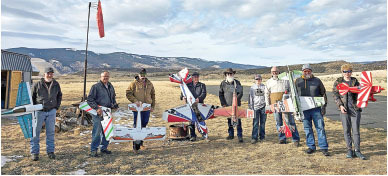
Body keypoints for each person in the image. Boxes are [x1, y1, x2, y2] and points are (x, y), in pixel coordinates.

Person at [333, 64, 366, 160]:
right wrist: (340, 105)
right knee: (346, 130)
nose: (347, 73)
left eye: (349, 71)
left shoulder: (355, 81)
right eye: (345, 71)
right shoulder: (338, 82)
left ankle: (357, 150)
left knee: (356, 131)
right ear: (342, 72)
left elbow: (362, 93)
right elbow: (335, 95)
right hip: (344, 109)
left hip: (355, 109)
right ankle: (349, 150)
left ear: (351, 72)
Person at [295, 64, 329, 156]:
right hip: (304, 110)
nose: (307, 72)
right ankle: (311, 146)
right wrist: (297, 110)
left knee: (320, 128)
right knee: (307, 128)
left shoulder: (317, 80)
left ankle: (323, 147)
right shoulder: (298, 81)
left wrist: (324, 107)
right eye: (305, 71)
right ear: (302, 71)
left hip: (316, 109)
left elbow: (323, 93)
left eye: (308, 71)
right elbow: (294, 96)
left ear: (311, 71)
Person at [30, 67, 62, 161]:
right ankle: (35, 152)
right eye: (48, 73)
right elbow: (32, 97)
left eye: (51, 73)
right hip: (39, 111)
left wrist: (57, 106)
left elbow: (59, 95)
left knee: (51, 132)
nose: (50, 75)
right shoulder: (38, 84)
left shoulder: (56, 84)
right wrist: (34, 108)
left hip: (52, 111)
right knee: (35, 132)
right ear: (44, 74)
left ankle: (50, 151)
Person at [265, 66, 300, 146]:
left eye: (276, 71)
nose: (275, 73)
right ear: (271, 73)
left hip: (287, 104)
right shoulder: (268, 82)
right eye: (273, 72)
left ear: (279, 71)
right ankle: (282, 138)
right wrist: (268, 105)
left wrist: (292, 102)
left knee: (291, 121)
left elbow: (291, 90)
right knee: (279, 122)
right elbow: (266, 94)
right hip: (275, 105)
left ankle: (295, 139)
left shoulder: (285, 80)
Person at [87, 71, 118, 157]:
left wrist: (114, 105)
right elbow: (90, 99)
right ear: (100, 77)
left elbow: (113, 98)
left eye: (107, 76)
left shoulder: (110, 86)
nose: (106, 78)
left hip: (108, 112)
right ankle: (94, 150)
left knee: (107, 130)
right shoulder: (95, 87)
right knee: (97, 131)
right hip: (98, 113)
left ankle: (104, 148)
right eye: (104, 77)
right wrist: (97, 108)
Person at [126, 68, 156, 151]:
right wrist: (135, 101)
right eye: (141, 75)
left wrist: (152, 106)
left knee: (144, 124)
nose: (143, 77)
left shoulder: (149, 83)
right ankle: (135, 145)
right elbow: (128, 93)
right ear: (138, 75)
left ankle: (141, 142)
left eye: (144, 75)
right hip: (137, 108)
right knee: (137, 125)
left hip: (147, 108)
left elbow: (153, 95)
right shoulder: (133, 83)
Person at [180, 71, 207, 141]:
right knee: (191, 121)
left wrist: (199, 98)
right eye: (194, 77)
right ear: (192, 78)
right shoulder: (188, 85)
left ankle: (204, 134)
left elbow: (204, 93)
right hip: (190, 106)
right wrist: (183, 97)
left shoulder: (202, 85)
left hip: (199, 105)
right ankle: (193, 135)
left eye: (197, 77)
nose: (196, 78)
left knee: (200, 120)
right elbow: (183, 93)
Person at [219, 68, 244, 143]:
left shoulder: (237, 82)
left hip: (236, 106)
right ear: (226, 75)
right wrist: (223, 103)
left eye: (231, 74)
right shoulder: (223, 83)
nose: (230, 75)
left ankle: (240, 136)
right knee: (229, 121)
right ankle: (231, 134)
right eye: (228, 74)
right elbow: (221, 94)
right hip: (227, 106)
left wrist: (236, 99)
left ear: (233, 74)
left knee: (238, 121)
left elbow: (241, 93)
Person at [249, 74, 267, 144]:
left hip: (263, 107)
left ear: (261, 80)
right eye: (256, 79)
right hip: (255, 107)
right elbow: (251, 98)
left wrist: (267, 105)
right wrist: (251, 107)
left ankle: (262, 137)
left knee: (262, 123)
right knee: (255, 123)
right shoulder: (252, 88)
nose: (258, 80)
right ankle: (254, 137)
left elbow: (266, 96)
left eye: (259, 79)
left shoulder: (264, 87)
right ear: (255, 80)